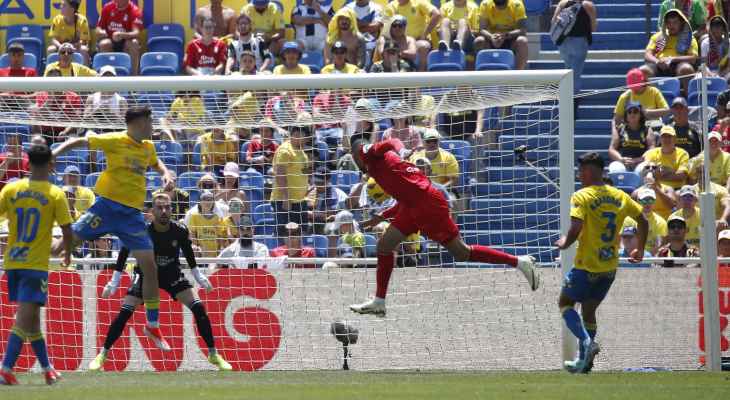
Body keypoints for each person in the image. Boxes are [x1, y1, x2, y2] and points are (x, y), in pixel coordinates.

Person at [348, 135, 539, 318]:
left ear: (355, 153)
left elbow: (392, 141)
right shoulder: (378, 166)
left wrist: (402, 149)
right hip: (414, 205)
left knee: (461, 253)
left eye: (353, 157)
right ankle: (379, 302)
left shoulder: (366, 152)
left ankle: (520, 262)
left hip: (427, 204)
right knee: (385, 246)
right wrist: (381, 216)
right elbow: (406, 198)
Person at [51, 106, 175, 350]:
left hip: (131, 217)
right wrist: (55, 153)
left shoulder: (148, 147)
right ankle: (30, 246)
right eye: (150, 122)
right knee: (61, 247)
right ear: (139, 123)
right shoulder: (115, 140)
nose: (153, 127)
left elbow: (156, 161)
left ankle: (152, 325)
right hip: (105, 209)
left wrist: (165, 173)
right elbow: (80, 140)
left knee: (150, 268)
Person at [88, 193, 231, 370]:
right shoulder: (141, 230)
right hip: (146, 275)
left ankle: (213, 354)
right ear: (152, 211)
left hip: (171, 273)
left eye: (167, 207)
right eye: (160, 207)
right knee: (124, 313)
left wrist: (198, 276)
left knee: (199, 308)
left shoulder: (180, 230)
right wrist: (114, 280)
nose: (164, 211)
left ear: (172, 209)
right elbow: (124, 253)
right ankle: (103, 353)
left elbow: (188, 253)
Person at [554, 152, 648, 374]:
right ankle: (585, 363)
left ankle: (587, 343)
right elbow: (642, 220)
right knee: (588, 311)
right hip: (608, 269)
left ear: (588, 171)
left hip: (587, 266)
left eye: (580, 171)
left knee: (565, 303)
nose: (579, 175)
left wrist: (565, 242)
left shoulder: (582, 196)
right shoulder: (620, 196)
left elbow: (576, 227)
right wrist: (640, 249)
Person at [0, 140, 73, 386]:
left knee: (32, 320)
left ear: (27, 163)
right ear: (52, 164)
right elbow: (67, 230)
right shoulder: (55, 193)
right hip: (35, 265)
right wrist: (66, 252)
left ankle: (47, 368)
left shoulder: (11, 189)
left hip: (12, 262)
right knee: (24, 319)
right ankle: (6, 368)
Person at [642, 9, 698, 94]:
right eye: (669, 22)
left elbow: (693, 58)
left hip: (678, 64)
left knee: (686, 69)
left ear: (681, 23)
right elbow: (647, 55)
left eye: (675, 22)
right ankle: (650, 101)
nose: (671, 25)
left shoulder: (689, 38)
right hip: (659, 64)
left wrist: (672, 59)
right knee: (643, 70)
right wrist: (657, 62)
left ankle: (689, 101)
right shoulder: (658, 36)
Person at [271, 119, 311, 236]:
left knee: (301, 234)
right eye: (296, 134)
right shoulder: (285, 150)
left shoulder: (302, 152)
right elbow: (280, 174)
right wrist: (286, 197)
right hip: (285, 201)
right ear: (291, 135)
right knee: (284, 235)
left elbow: (303, 172)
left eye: (302, 134)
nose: (299, 137)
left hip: (300, 201)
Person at [383, 0, 442, 72]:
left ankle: (421, 77)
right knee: (387, 45)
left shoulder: (419, 2)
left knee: (423, 45)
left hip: (416, 42)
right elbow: (385, 28)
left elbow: (437, 14)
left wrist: (424, 35)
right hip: (397, 42)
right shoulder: (391, 7)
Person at [553, 0, 596, 94]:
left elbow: (554, 21)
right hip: (580, 41)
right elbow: (593, 27)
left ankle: (566, 96)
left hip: (563, 41)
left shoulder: (562, 3)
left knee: (568, 69)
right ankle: (572, 101)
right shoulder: (588, 5)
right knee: (575, 74)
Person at [476, 0, 528, 70]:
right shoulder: (485, 4)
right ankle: (483, 74)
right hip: (491, 38)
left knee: (522, 41)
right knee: (479, 40)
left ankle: (517, 76)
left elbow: (522, 30)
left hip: (510, 39)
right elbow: (482, 29)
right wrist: (491, 37)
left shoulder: (517, 4)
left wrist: (505, 36)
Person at [96, 0, 143, 75]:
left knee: (134, 43)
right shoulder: (107, 7)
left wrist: (122, 35)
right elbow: (98, 29)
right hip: (110, 39)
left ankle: (133, 78)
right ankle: (106, 76)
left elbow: (136, 32)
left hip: (126, 41)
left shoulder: (135, 10)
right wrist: (103, 33)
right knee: (104, 44)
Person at [608, 101, 655, 173]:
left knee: (645, 168)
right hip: (623, 163)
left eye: (635, 111)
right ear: (626, 115)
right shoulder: (620, 129)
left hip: (640, 162)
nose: (632, 114)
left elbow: (652, 150)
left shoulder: (647, 130)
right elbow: (612, 149)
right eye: (629, 112)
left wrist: (637, 160)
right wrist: (621, 159)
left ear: (640, 115)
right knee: (615, 168)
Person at [642, 125, 690, 190]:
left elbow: (681, 176)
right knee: (635, 194)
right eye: (664, 136)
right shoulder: (651, 153)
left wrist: (658, 176)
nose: (666, 139)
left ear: (675, 139)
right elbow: (645, 171)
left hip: (676, 189)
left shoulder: (683, 154)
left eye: (669, 136)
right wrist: (672, 172)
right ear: (660, 139)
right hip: (654, 188)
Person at [623, 187, 668, 255]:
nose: (647, 203)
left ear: (655, 201)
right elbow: (622, 242)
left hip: (652, 258)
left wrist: (647, 256)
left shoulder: (661, 222)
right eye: (644, 200)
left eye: (651, 200)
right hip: (631, 256)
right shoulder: (628, 220)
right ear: (638, 201)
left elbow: (661, 245)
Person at [188, 190, 229, 258]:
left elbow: (220, 239)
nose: (207, 202)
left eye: (210, 199)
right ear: (200, 202)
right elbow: (193, 237)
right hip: (201, 255)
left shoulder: (218, 218)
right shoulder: (194, 216)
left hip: (215, 256)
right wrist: (198, 250)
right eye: (205, 199)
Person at [47, 0, 90, 65]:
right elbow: (53, 39)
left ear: (72, 9)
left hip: (75, 48)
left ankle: (85, 73)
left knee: (84, 49)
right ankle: (51, 72)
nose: (61, 7)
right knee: (51, 49)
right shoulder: (57, 20)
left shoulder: (82, 20)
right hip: (61, 48)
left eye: (64, 5)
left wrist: (71, 47)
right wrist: (61, 46)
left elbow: (83, 41)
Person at [345, 0, 384, 66]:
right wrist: (367, 25)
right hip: (351, 47)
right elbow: (345, 27)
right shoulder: (347, 7)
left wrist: (356, 24)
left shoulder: (377, 8)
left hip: (370, 47)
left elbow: (375, 27)